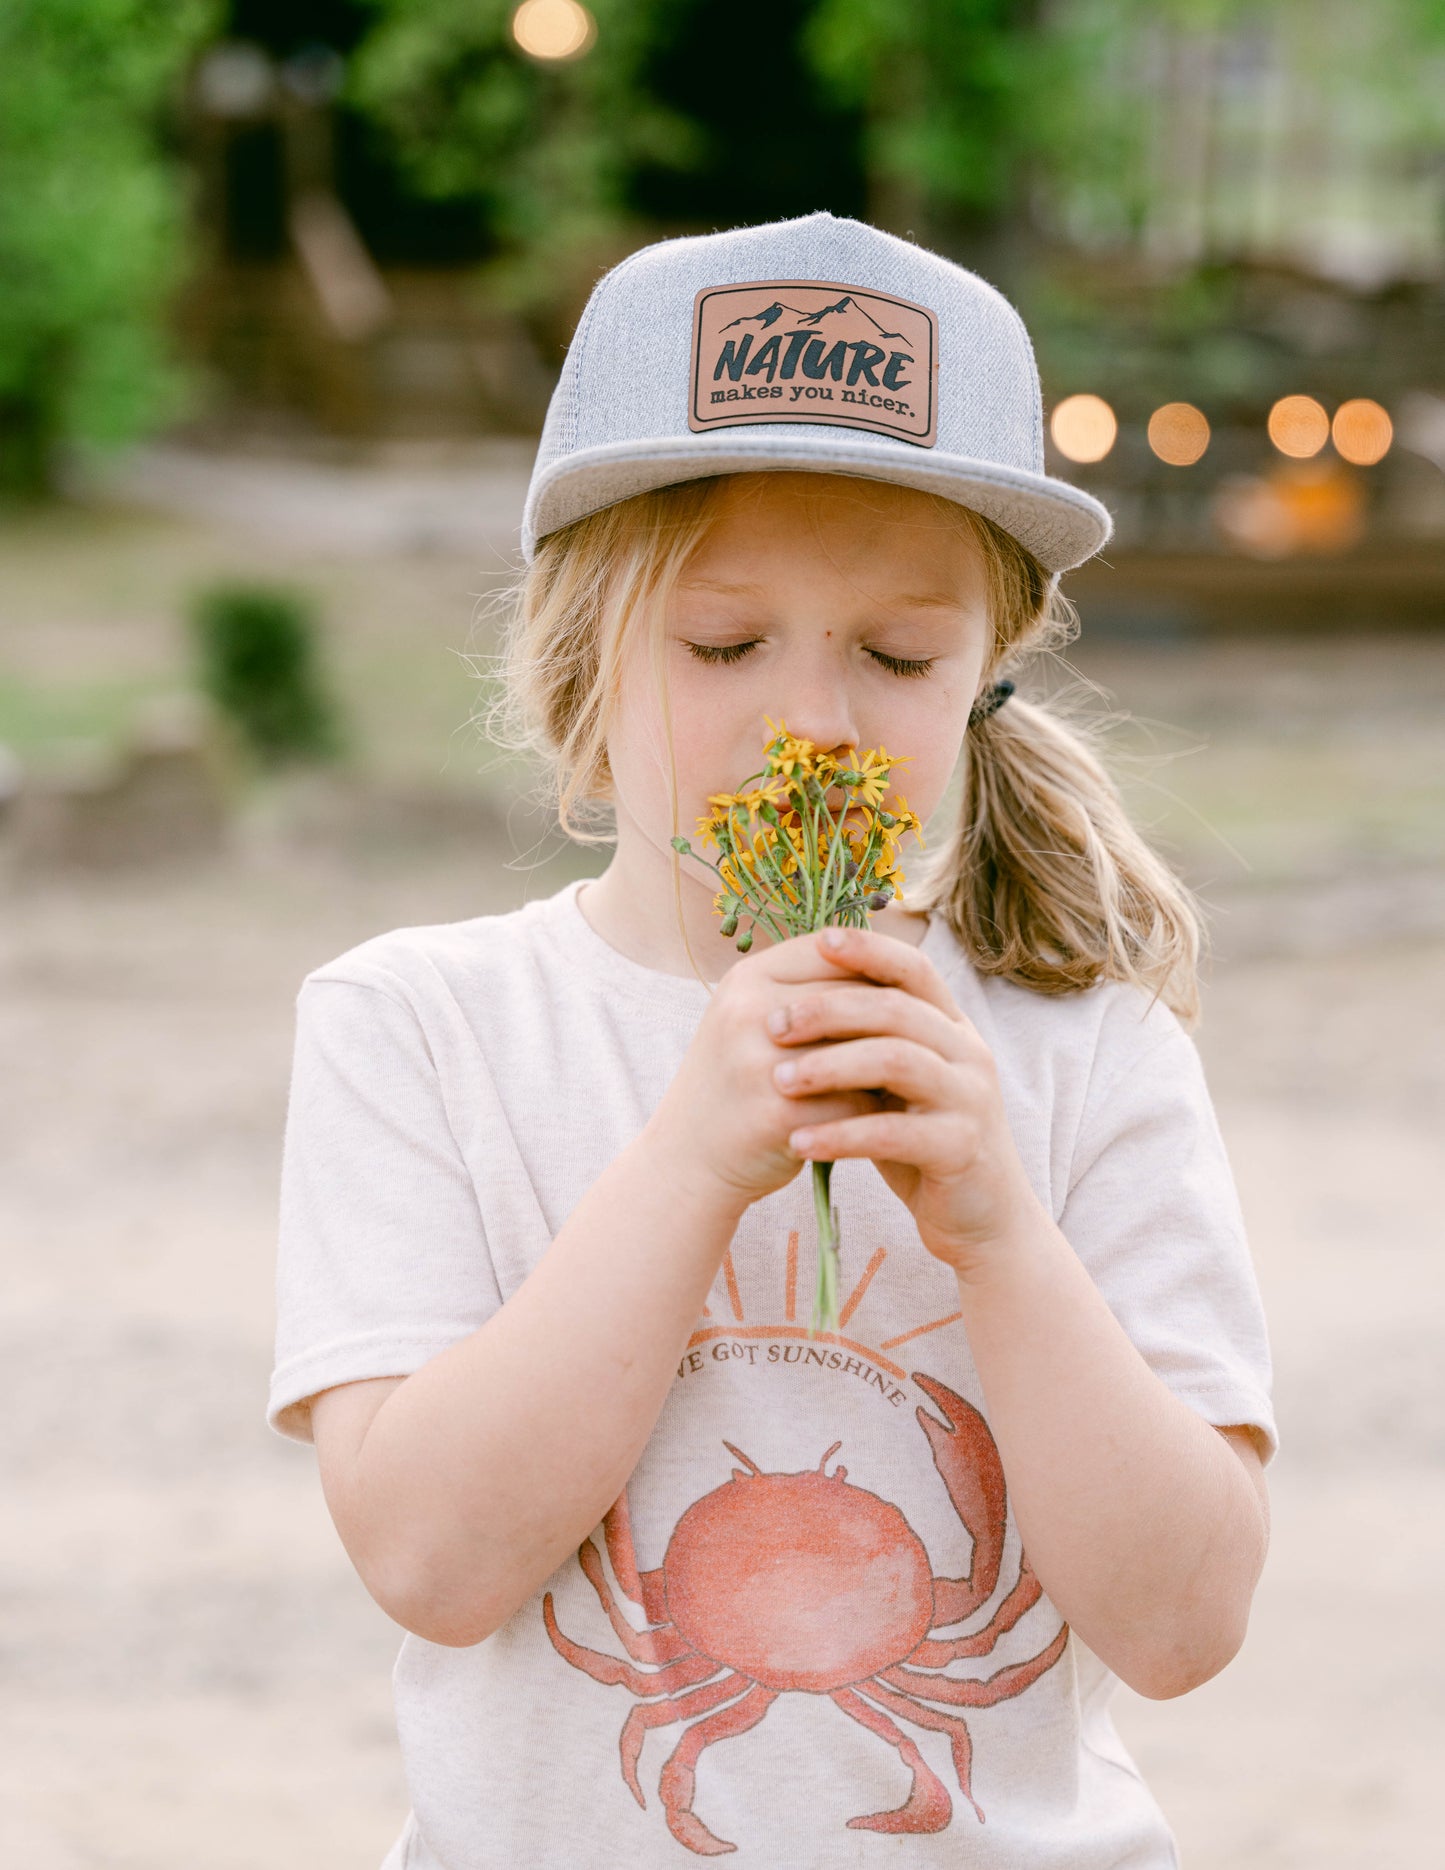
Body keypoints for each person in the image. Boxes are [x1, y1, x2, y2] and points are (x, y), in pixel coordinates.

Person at [268, 211, 1276, 1869]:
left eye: (896, 653)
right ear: (578, 671)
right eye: (723, 645)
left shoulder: (1087, 1050)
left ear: (983, 685)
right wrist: (688, 1159)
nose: (811, 718)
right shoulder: (423, 1024)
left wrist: (995, 1231)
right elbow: (434, 1563)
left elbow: (1181, 1621)